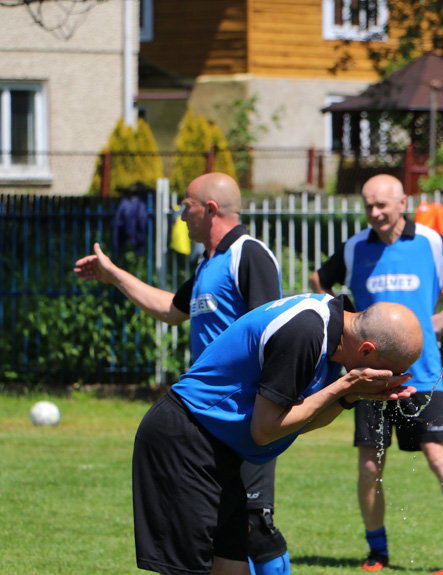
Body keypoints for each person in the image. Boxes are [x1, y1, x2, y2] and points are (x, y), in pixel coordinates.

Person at [74, 172, 292, 575]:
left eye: (186, 206)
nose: (181, 216)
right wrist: (114, 275)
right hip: (209, 421)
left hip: (243, 417)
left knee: (255, 523)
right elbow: (169, 310)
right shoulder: (209, 264)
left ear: (209, 209)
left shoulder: (249, 254)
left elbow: (272, 332)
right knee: (219, 528)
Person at [133, 293, 424, 575]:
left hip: (218, 449)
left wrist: (352, 396)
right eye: (387, 374)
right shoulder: (306, 332)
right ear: (367, 351)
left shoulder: (334, 335)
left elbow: (298, 422)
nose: (386, 381)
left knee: (232, 567)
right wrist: (345, 386)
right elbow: (265, 429)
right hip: (184, 440)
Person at [310, 174, 443, 575]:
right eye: (368, 206)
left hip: (423, 374)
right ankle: (377, 552)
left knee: (437, 455)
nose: (375, 213)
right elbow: (319, 284)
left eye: (382, 205)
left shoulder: (430, 242)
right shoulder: (355, 247)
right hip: (368, 378)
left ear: (402, 203)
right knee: (369, 466)